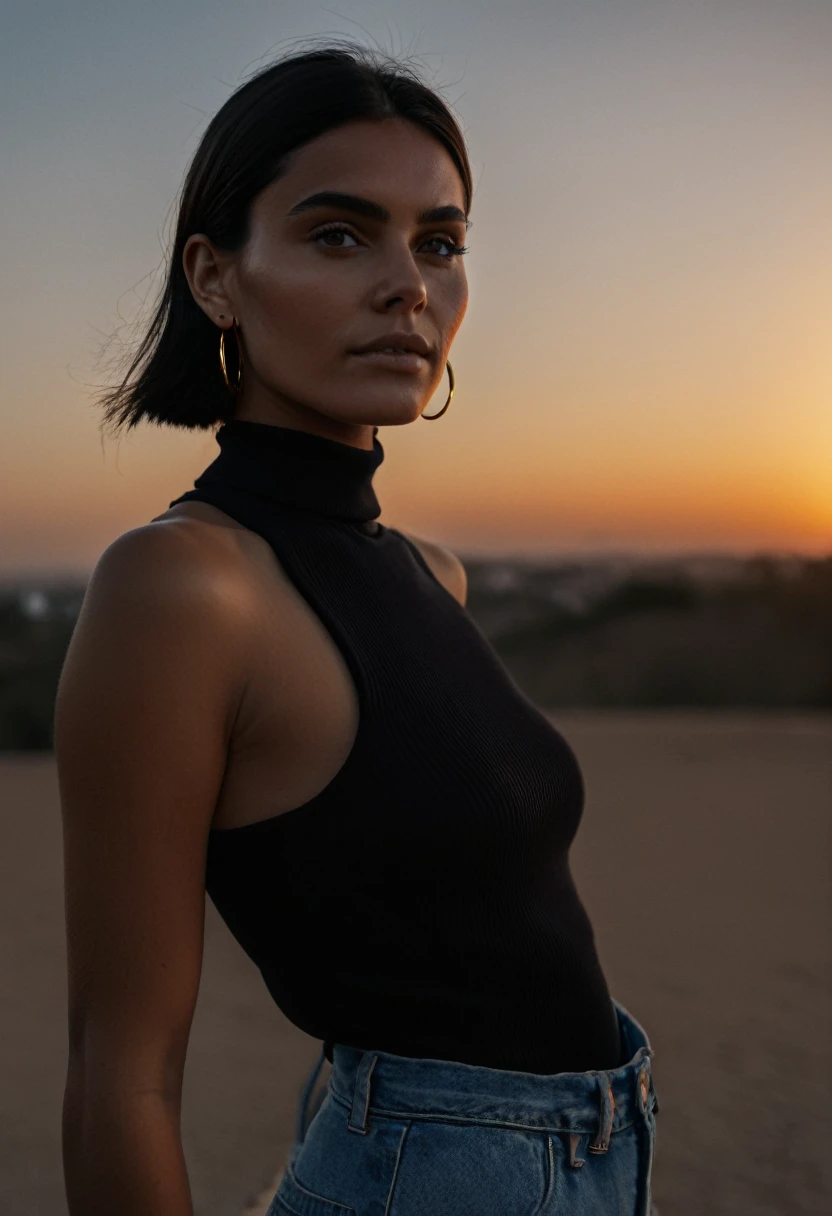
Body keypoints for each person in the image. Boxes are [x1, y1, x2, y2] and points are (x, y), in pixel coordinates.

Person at [56, 41, 659, 1216]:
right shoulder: (181, 588)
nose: (408, 285)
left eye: (438, 242)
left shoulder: (433, 574)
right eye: (340, 234)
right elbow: (116, 1071)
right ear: (215, 276)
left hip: (601, 1155)